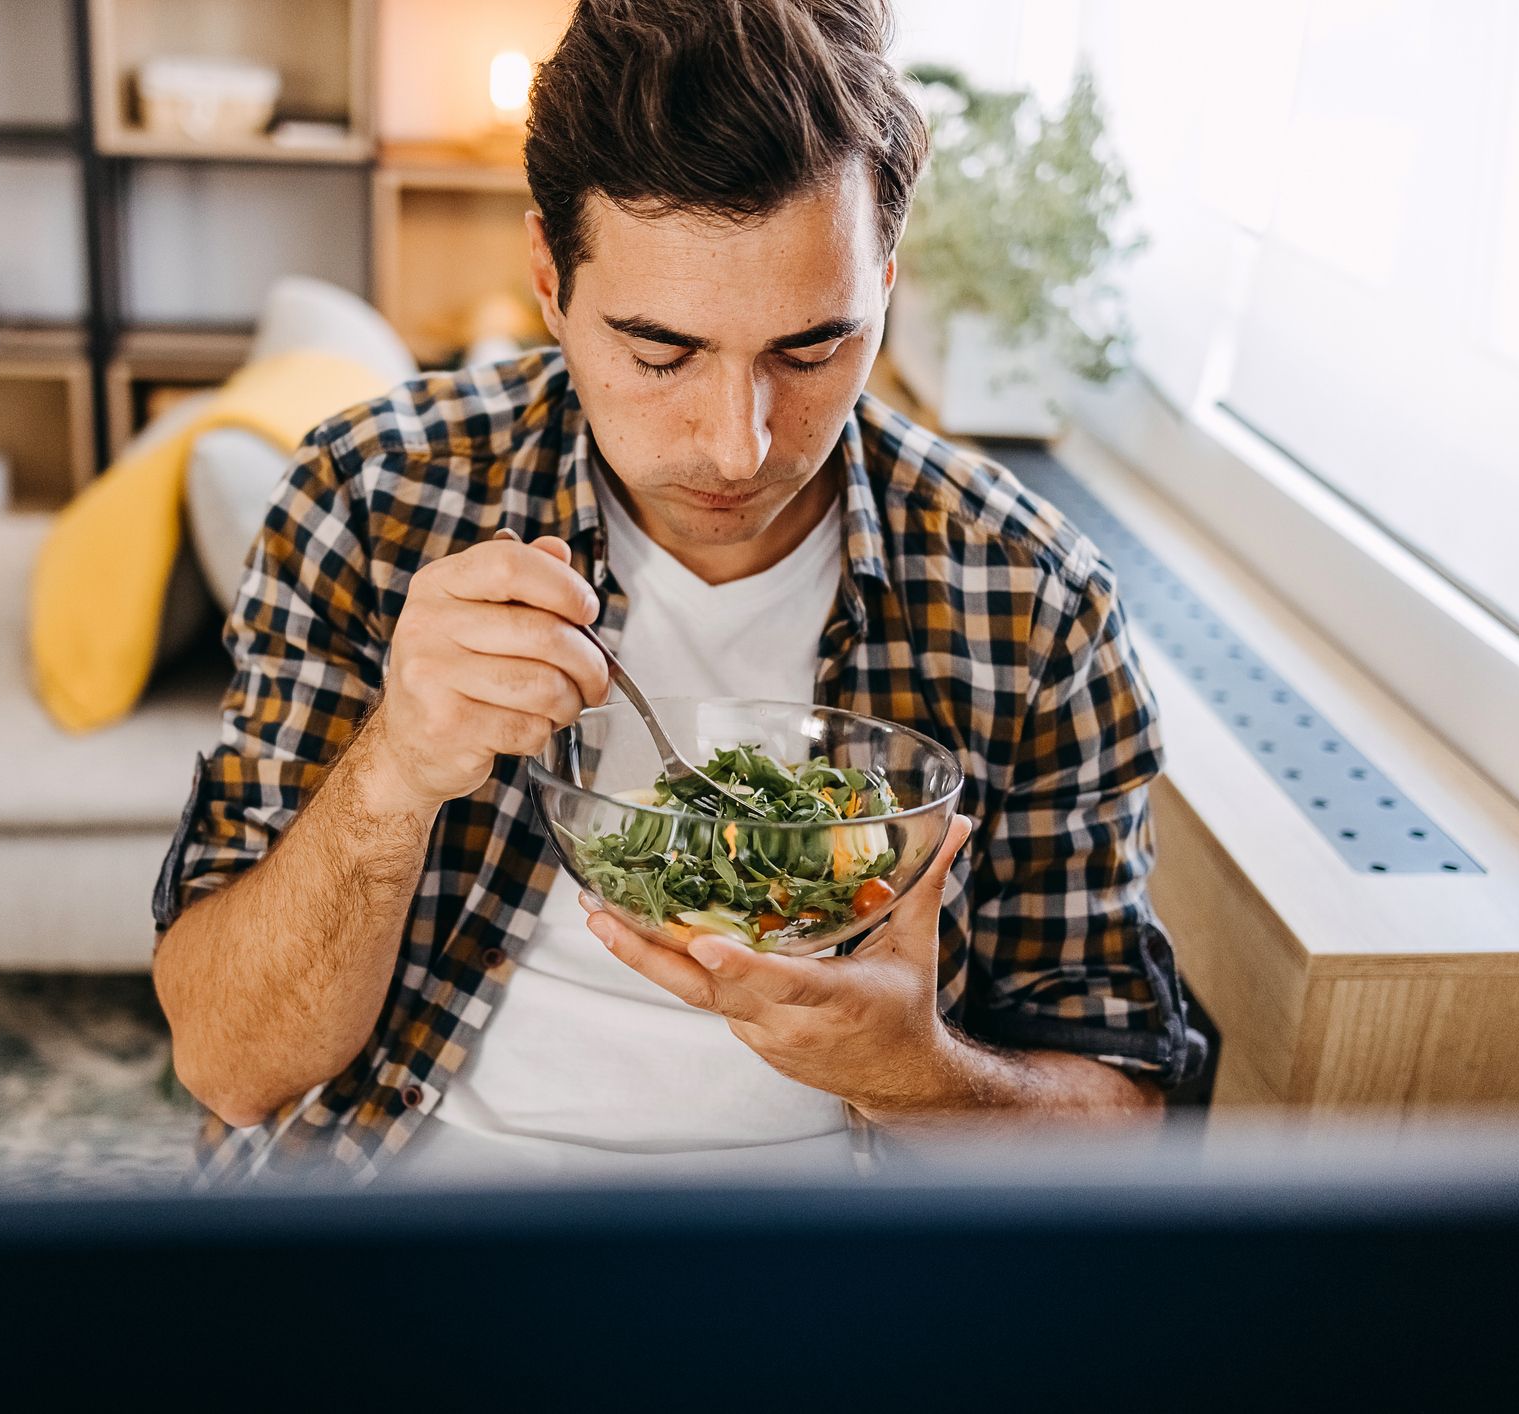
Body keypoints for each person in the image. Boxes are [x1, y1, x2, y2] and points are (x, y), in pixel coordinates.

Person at [152, 0, 1201, 1185]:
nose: (737, 445)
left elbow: (1121, 1120)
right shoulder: (371, 500)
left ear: (886, 283)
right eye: (659, 353)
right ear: (549, 278)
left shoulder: (1030, 598)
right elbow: (228, 1062)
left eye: (811, 350)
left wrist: (913, 1071)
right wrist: (391, 775)